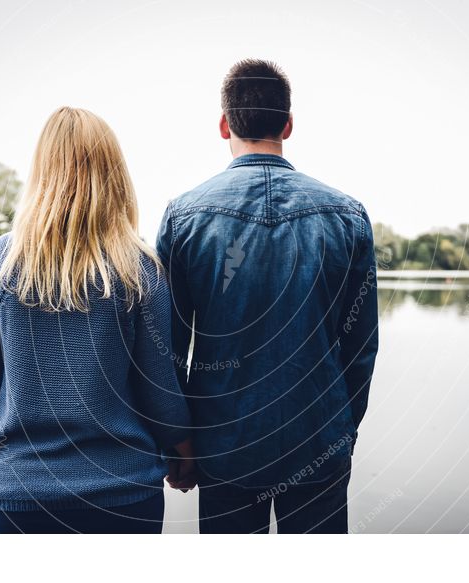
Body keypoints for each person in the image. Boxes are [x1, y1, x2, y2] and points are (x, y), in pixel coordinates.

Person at [156, 59, 379, 534]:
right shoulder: (347, 216)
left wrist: (178, 446)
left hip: (223, 446)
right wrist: (343, 431)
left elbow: (168, 350)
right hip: (318, 439)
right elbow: (360, 349)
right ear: (288, 124)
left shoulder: (185, 217)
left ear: (224, 124)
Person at [0, 107, 195, 534]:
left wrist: (12, 462)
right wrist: (185, 451)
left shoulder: (2, 260)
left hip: (20, 497)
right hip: (123, 495)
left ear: (41, 170)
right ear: (114, 173)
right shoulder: (138, 267)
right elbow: (159, 386)